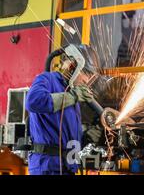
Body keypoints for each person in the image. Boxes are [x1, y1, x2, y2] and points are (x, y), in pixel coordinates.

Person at [25, 44, 100, 175]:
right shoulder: (48, 79)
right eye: (86, 73)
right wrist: (73, 96)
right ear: (73, 66)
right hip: (47, 167)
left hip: (67, 167)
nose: (87, 80)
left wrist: (87, 136)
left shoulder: (72, 98)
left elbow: (65, 136)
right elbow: (33, 101)